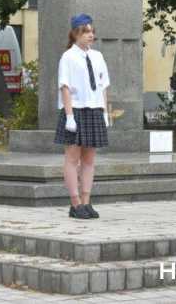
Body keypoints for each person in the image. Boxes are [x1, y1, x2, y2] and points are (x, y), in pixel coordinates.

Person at [55, 13, 110, 219]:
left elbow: (103, 85)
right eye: (86, 32)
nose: (90, 35)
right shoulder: (68, 56)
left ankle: (86, 201)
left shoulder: (97, 57)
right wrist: (69, 116)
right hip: (76, 109)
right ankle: (75, 203)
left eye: (92, 31)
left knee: (89, 159)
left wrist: (104, 110)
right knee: (72, 158)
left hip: (94, 109)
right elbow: (65, 87)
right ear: (75, 33)